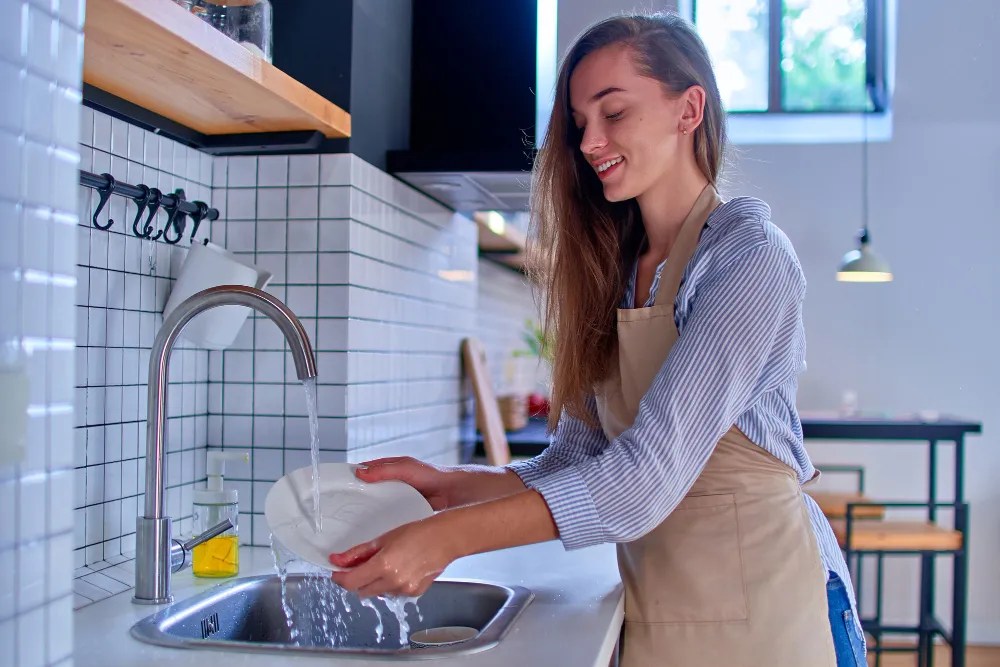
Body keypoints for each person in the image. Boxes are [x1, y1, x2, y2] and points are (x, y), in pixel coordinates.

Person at [330, 12, 867, 667]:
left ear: (688, 109)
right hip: (663, 610)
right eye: (580, 123)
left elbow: (641, 481)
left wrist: (448, 537)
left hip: (769, 612)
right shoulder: (615, 274)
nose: (589, 142)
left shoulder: (748, 259)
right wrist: (447, 485)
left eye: (613, 113)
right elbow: (576, 462)